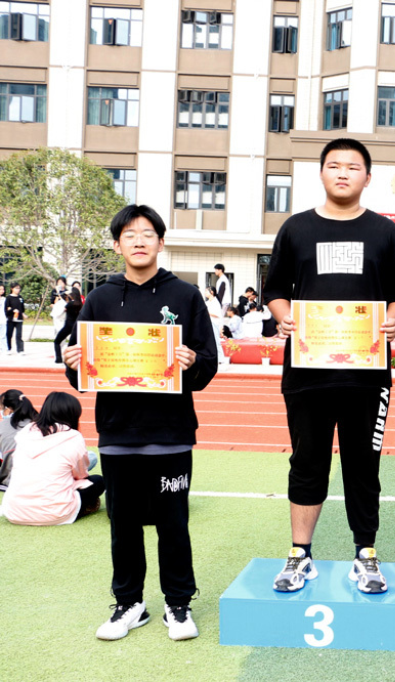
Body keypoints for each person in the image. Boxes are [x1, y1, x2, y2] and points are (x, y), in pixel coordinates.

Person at [264, 138, 395, 595]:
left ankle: (365, 553)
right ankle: (300, 554)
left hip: (367, 375)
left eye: (353, 166)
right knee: (306, 461)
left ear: (368, 177)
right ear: (321, 174)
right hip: (306, 372)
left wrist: (391, 321)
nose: (343, 173)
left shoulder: (385, 232)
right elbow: (275, 290)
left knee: (363, 465)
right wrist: (283, 316)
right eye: (334, 165)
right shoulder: (296, 229)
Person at [63, 204, 217, 642]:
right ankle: (129, 603)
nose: (139, 241)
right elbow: (82, 374)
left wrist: (191, 361)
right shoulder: (99, 299)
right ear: (117, 245)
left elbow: (208, 362)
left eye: (147, 233)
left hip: (171, 432)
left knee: (173, 524)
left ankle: (178, 604)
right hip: (118, 432)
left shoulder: (185, 296)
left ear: (161, 242)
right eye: (129, 235)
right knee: (123, 525)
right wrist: (73, 363)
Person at [0, 392, 104, 525]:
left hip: (14, 511)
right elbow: (81, 475)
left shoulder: (25, 432)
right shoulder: (73, 436)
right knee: (98, 481)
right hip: (55, 513)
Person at [0, 390, 38, 490]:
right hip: (43, 480)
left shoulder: (2, 426)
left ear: (8, 409)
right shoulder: (41, 424)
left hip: (13, 481)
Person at [54, 288, 83, 364]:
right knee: (74, 344)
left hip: (68, 326)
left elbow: (61, 311)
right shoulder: (80, 304)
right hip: (76, 327)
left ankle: (58, 359)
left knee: (57, 341)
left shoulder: (69, 304)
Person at [203, 286, 227, 365]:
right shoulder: (207, 302)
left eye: (206, 291)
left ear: (212, 292)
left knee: (216, 341)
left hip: (214, 323)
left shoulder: (216, 302)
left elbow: (217, 315)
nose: (205, 293)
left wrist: (207, 313)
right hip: (208, 323)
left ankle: (221, 358)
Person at [5, 282, 25, 354]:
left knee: (19, 335)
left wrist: (23, 314)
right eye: (16, 288)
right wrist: (13, 310)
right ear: (12, 289)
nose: (18, 290)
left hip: (19, 319)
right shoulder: (8, 298)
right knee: (9, 334)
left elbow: (22, 308)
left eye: (19, 288)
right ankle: (9, 348)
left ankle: (20, 350)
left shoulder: (20, 297)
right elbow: (7, 308)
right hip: (11, 319)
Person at [51, 277, 68, 341]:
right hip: (57, 312)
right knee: (57, 327)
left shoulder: (67, 291)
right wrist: (57, 293)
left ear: (65, 283)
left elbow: (66, 302)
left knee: (63, 327)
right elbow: (53, 302)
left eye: (61, 282)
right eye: (58, 282)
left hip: (64, 313)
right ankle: (58, 340)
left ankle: (62, 340)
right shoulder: (54, 291)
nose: (60, 284)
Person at [0, 284, 6, 352]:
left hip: (3, 319)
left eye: (3, 289)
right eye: (0, 289)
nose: (2, 291)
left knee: (3, 335)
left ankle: (3, 349)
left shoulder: (4, 299)